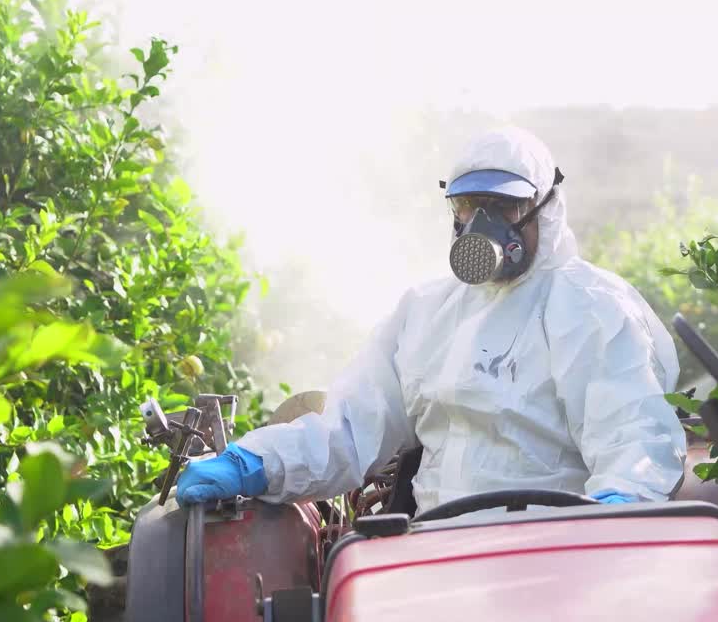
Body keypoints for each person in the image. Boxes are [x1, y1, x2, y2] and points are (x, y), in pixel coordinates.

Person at [174, 126, 688, 513]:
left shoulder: (591, 309)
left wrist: (622, 514)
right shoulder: (424, 313)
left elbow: (633, 438)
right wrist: (258, 461)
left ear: (545, 210)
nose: (482, 224)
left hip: (549, 562)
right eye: (469, 204)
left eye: (504, 207)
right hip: (431, 557)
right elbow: (350, 431)